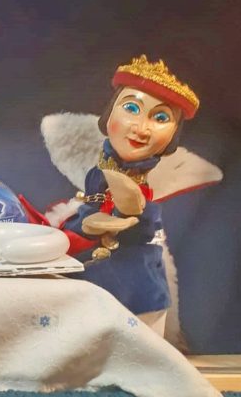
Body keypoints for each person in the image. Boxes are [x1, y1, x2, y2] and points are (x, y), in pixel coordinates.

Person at [63, 55, 200, 336]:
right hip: (87, 278)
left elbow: (143, 224)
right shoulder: (97, 175)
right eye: (131, 108)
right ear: (110, 114)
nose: (141, 128)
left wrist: (129, 215)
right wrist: (88, 224)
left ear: (172, 135)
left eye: (160, 118)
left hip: (135, 283)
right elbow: (89, 210)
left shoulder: (141, 190)